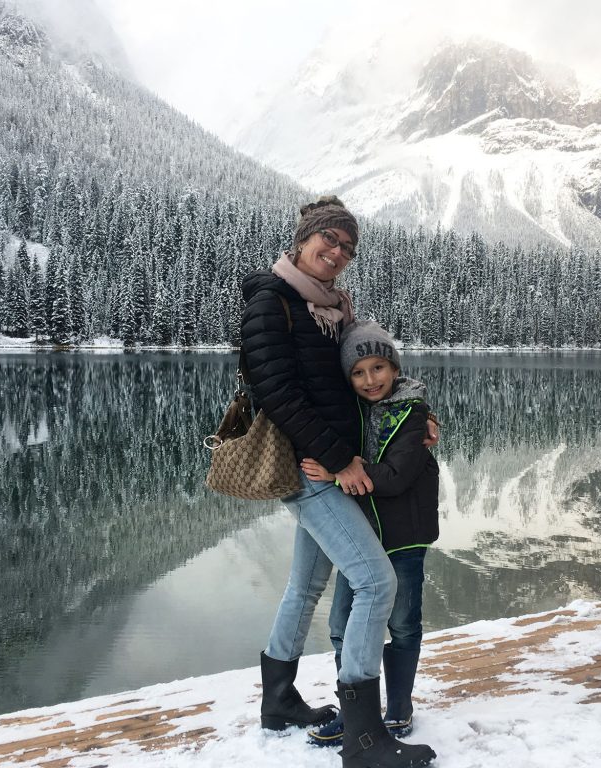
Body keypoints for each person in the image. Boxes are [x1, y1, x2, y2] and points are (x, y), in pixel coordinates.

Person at [240, 197, 436, 768]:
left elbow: (362, 380)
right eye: (329, 239)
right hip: (312, 470)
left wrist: (412, 413)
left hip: (329, 463)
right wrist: (340, 461)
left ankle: (277, 701)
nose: (337, 252)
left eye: (347, 246)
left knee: (305, 587)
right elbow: (279, 396)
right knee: (377, 583)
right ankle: (364, 737)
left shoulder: (327, 308)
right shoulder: (271, 302)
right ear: (303, 240)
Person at [299, 320, 439, 749]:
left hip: (404, 538)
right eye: (358, 372)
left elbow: (395, 478)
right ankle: (356, 711)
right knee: (342, 626)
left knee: (402, 625)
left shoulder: (413, 415)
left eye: (378, 368)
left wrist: (338, 473)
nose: (369, 380)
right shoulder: (350, 411)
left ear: (394, 368)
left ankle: (397, 709)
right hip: (359, 539)